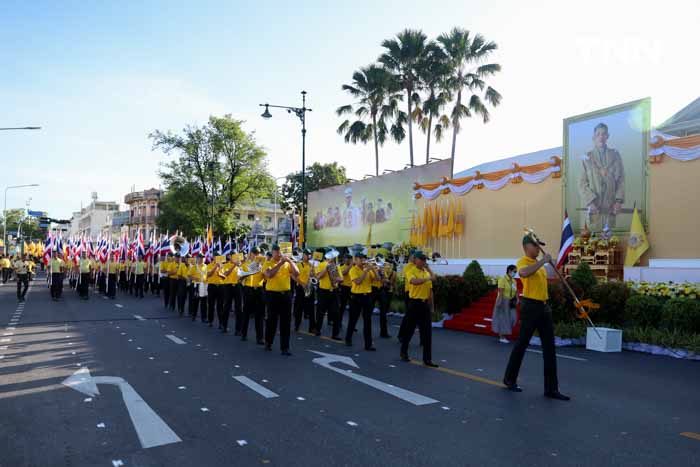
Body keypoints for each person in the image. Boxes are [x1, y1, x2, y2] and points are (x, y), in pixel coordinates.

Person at [503, 235, 570, 401]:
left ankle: (551, 388)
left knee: (550, 347)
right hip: (530, 306)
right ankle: (509, 379)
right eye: (536, 246)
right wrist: (543, 261)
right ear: (527, 247)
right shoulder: (523, 261)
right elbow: (523, 274)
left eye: (540, 246)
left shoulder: (539, 266)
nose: (539, 248)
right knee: (522, 343)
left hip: (543, 306)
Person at [578, 122, 625, 230]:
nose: (601, 137)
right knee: (593, 242)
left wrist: (618, 201)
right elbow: (582, 183)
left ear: (607, 136)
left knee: (611, 243)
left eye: (604, 134)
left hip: (610, 207)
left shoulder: (615, 155)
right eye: (598, 134)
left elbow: (621, 179)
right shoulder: (587, 158)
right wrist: (590, 202)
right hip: (594, 208)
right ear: (593, 137)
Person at [400, 251, 438, 367]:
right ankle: (403, 352)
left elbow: (432, 285)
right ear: (415, 260)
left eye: (425, 260)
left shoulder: (426, 272)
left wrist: (431, 306)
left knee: (427, 332)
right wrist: (427, 279)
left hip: (424, 304)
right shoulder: (410, 271)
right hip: (414, 303)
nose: (423, 262)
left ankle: (427, 359)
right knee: (409, 330)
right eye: (421, 259)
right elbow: (413, 282)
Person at [263, 244, 299, 356]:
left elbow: (297, 273)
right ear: (272, 252)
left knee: (286, 322)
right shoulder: (267, 263)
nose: (279, 254)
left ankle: (285, 347)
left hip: (286, 295)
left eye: (280, 252)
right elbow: (269, 275)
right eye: (277, 252)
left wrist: (290, 261)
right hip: (272, 295)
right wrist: (280, 263)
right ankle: (268, 343)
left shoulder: (287, 263)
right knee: (271, 320)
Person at [345, 252, 376, 351]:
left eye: (364, 259)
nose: (363, 261)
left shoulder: (367, 269)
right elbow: (358, 282)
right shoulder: (353, 270)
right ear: (356, 259)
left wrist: (374, 270)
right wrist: (366, 271)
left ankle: (368, 344)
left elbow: (377, 279)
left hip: (367, 297)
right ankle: (348, 338)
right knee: (353, 319)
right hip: (356, 297)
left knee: (368, 321)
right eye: (360, 259)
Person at [315, 250, 343, 338]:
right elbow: (318, 277)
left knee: (336, 313)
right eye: (332, 256)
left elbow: (341, 279)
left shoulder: (336, 266)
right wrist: (326, 269)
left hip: (334, 291)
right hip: (323, 291)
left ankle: (335, 334)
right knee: (321, 312)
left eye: (334, 257)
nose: (333, 258)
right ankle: (318, 330)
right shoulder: (321, 264)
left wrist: (336, 279)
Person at [241, 247, 265, 344]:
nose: (256, 255)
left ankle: (259, 338)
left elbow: (266, 277)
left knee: (259, 314)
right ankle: (244, 334)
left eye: (258, 253)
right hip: (248, 289)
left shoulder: (263, 264)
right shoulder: (245, 264)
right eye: (254, 253)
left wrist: (261, 268)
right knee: (246, 312)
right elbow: (240, 278)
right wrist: (248, 272)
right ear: (250, 253)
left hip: (259, 289)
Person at [492, 265, 519, 343]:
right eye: (514, 271)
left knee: (514, 318)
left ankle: (504, 332)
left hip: (511, 301)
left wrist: (517, 298)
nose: (515, 273)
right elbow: (500, 291)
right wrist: (499, 302)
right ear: (509, 271)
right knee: (503, 318)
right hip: (503, 300)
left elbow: (516, 290)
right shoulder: (502, 279)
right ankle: (502, 336)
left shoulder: (514, 281)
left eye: (516, 271)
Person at [293, 249, 315, 333]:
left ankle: (312, 327)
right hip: (301, 288)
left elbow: (313, 276)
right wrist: (302, 283)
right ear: (303, 255)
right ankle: (297, 325)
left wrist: (312, 272)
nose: (309, 256)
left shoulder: (311, 265)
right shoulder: (298, 264)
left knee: (311, 308)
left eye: (310, 254)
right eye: (307, 254)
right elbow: (294, 276)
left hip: (309, 287)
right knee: (299, 308)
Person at [221, 255, 241, 334]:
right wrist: (234, 265)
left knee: (238, 308)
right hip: (228, 286)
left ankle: (238, 329)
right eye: (234, 256)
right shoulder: (225, 265)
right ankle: (224, 326)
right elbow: (225, 274)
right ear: (230, 257)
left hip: (237, 286)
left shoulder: (240, 265)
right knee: (227, 307)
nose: (236, 258)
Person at [189, 255, 208, 323]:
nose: (202, 259)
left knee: (204, 302)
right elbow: (189, 275)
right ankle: (194, 315)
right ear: (197, 259)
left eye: (203, 258)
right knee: (195, 301)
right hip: (197, 285)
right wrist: (194, 278)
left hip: (204, 285)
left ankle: (204, 317)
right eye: (200, 258)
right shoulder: (194, 267)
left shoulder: (206, 266)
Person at [337, 254, 353, 334]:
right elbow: (344, 272)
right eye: (346, 258)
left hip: (352, 289)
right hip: (344, 288)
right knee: (342, 307)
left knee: (353, 308)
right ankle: (338, 322)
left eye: (349, 259)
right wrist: (351, 265)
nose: (347, 260)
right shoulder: (341, 267)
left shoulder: (353, 267)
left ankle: (352, 325)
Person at [206, 257, 224, 328]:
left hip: (220, 286)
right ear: (213, 258)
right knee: (211, 305)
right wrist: (216, 266)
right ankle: (210, 321)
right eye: (216, 257)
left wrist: (220, 274)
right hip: (212, 286)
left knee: (220, 306)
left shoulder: (222, 266)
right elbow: (209, 274)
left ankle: (221, 323)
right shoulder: (209, 265)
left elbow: (224, 276)